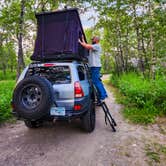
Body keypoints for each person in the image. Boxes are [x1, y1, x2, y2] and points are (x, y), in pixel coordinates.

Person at [78, 36, 108, 102]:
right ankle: (102, 95)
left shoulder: (97, 46)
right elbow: (86, 45)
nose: (92, 40)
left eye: (93, 39)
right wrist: (82, 39)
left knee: (96, 81)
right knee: (96, 81)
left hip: (95, 66)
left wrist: (80, 42)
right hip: (93, 66)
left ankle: (103, 95)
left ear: (96, 40)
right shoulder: (93, 47)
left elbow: (86, 46)